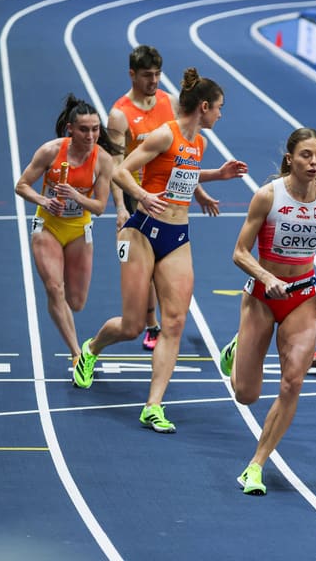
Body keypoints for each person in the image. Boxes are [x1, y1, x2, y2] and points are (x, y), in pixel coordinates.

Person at [73, 68, 248, 434]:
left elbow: (183, 173)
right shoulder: (164, 133)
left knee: (175, 323)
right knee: (133, 325)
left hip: (177, 236)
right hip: (139, 232)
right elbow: (121, 171)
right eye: (219, 107)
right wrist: (143, 196)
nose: (221, 114)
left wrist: (215, 178)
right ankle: (90, 349)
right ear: (203, 106)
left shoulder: (199, 143)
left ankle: (153, 405)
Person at [218, 128, 316, 495]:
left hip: (301, 297)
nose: (313, 162)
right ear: (290, 158)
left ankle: (256, 465)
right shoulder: (268, 196)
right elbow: (239, 252)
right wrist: (266, 276)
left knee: (293, 382)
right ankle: (237, 348)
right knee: (246, 394)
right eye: (306, 155)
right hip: (262, 296)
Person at [107, 44, 222, 351]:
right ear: (133, 74)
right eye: (147, 75)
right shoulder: (119, 115)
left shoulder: (169, 102)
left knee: (165, 274)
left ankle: (156, 325)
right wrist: (121, 207)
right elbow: (116, 166)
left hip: (168, 195)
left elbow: (182, 155)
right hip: (137, 193)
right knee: (142, 279)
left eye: (158, 74)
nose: (154, 80)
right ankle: (147, 322)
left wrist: (199, 192)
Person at [15, 95, 118, 365]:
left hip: (79, 230)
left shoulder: (103, 160)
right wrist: (43, 200)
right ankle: (76, 354)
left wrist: (75, 195)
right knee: (54, 288)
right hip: (47, 227)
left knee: (76, 302)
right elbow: (21, 185)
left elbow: (99, 207)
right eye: (84, 129)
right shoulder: (50, 151)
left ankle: (81, 346)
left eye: (95, 129)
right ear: (70, 129)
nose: (90, 135)